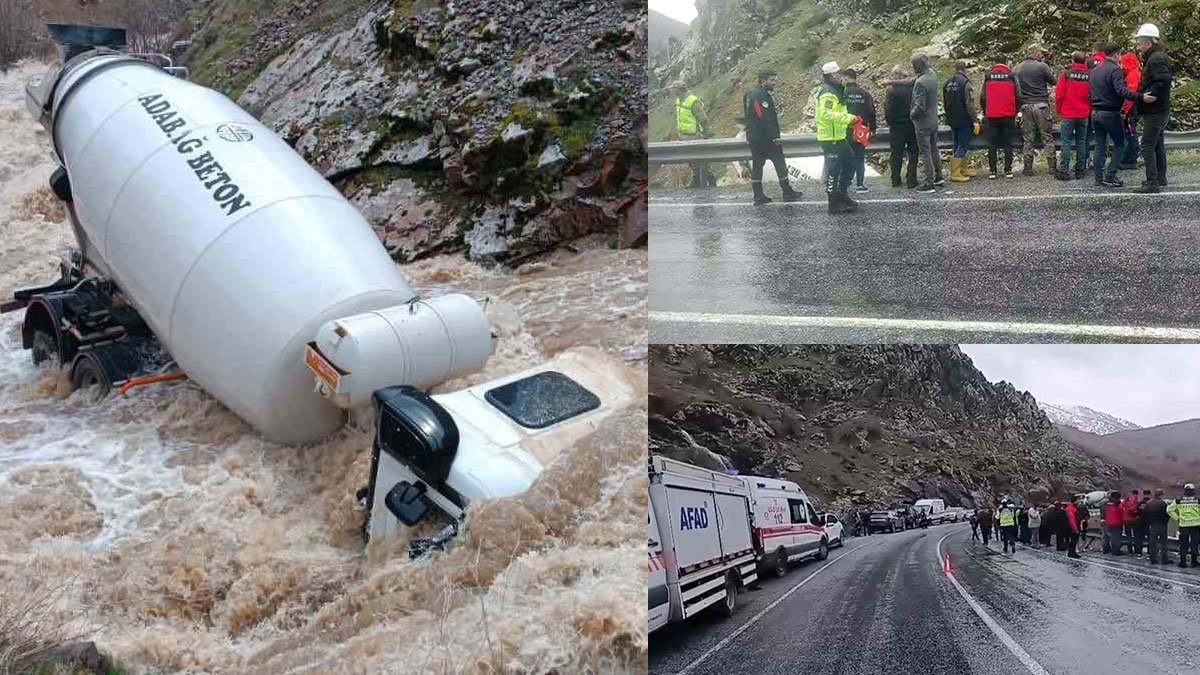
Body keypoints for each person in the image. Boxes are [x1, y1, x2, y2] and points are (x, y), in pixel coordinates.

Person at [1090, 43, 1153, 188]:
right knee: (1120, 144)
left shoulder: (1095, 70)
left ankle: (1098, 177)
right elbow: (1121, 91)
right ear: (1116, 55)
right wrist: (1140, 97)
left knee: (1100, 145)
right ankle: (1110, 175)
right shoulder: (1115, 69)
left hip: (1095, 111)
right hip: (1110, 112)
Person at [744, 70, 803, 205]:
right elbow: (765, 117)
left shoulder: (752, 94)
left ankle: (758, 195)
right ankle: (786, 191)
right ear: (763, 81)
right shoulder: (761, 96)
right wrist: (775, 136)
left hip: (755, 137)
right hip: (765, 138)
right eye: (772, 80)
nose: (775, 83)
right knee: (779, 162)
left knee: (758, 165)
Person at [815, 62, 862, 215]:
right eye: (838, 74)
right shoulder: (828, 93)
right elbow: (825, 114)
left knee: (850, 163)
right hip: (830, 138)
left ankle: (842, 194)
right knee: (833, 171)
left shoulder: (837, 90)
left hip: (839, 137)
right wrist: (848, 118)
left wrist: (848, 122)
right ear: (832, 75)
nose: (841, 76)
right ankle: (833, 203)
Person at [1131, 23, 1173, 194]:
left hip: (1155, 110)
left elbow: (1164, 80)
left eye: (1140, 43)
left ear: (1148, 43)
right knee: (1157, 144)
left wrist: (1150, 95)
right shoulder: (1158, 56)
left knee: (1147, 145)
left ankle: (1152, 182)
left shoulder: (1155, 59)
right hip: (1160, 109)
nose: (1138, 46)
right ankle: (1160, 178)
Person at [1014, 45, 1059, 176]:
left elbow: (1015, 88)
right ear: (1034, 52)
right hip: (1041, 105)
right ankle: (1052, 167)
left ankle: (1028, 168)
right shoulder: (1042, 66)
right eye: (1041, 52)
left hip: (1026, 106)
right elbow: (1054, 81)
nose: (1042, 55)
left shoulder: (1017, 68)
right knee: (1047, 137)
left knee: (1028, 138)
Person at [670, 81, 716, 188]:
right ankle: (697, 180)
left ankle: (710, 181)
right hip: (683, 135)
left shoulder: (693, 101)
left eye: (673, 88)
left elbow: (702, 118)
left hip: (694, 135)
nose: (672, 91)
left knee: (700, 159)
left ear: (679, 89)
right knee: (691, 159)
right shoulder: (678, 100)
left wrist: (707, 132)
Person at [909, 53, 944, 192]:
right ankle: (939, 175)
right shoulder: (932, 75)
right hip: (933, 119)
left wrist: (911, 115)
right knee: (934, 148)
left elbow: (920, 106)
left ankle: (929, 182)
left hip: (922, 123)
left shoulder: (920, 83)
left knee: (925, 151)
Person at [980, 55, 1018, 180]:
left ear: (995, 63)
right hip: (1008, 114)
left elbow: (983, 97)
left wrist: (985, 111)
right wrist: (1016, 110)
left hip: (992, 115)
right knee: (1008, 143)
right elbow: (1019, 95)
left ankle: (992, 171)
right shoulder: (1011, 76)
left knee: (992, 143)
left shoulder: (988, 76)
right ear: (1006, 62)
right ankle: (1008, 170)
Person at [1054, 52, 1091, 180]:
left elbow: (1059, 94)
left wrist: (1059, 110)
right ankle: (1080, 170)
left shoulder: (1067, 74)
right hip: (1083, 113)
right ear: (1085, 61)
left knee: (1066, 142)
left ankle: (1064, 170)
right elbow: (1092, 94)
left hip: (1068, 112)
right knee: (1081, 141)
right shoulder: (1089, 75)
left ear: (1073, 60)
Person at [942, 60, 979, 183]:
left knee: (957, 143)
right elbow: (969, 104)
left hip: (952, 118)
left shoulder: (947, 83)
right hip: (963, 118)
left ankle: (962, 169)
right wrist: (974, 119)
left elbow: (945, 102)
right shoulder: (965, 83)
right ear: (964, 69)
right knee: (963, 144)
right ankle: (956, 173)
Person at [883, 65, 919, 188]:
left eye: (893, 75)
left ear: (896, 75)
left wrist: (890, 122)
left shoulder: (891, 89)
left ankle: (895, 179)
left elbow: (888, 108)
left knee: (896, 153)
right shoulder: (913, 88)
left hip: (897, 126)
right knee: (913, 152)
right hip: (911, 124)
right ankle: (911, 180)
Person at [842, 69, 877, 193]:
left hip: (845, 129)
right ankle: (860, 184)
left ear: (846, 78)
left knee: (844, 157)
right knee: (859, 157)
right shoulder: (865, 94)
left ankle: (844, 184)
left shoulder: (842, 93)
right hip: (861, 130)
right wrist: (873, 129)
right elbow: (871, 112)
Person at [1118, 52, 1143, 170]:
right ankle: (1130, 158)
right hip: (1134, 108)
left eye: (1122, 63)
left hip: (1131, 109)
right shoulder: (1136, 73)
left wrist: (1124, 111)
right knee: (1131, 133)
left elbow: (1130, 96)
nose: (1121, 66)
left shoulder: (1132, 75)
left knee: (1131, 134)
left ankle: (1130, 159)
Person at [1167, 482, 1200, 568]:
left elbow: (1169, 510)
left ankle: (1183, 562)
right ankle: (1194, 562)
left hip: (1183, 525)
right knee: (1194, 544)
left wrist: (1177, 518)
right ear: (1193, 491)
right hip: (1196, 525)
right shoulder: (1198, 500)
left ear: (1184, 491)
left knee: (1183, 544)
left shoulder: (1179, 500)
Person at [1144, 488, 1171, 565]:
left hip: (1152, 525)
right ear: (1161, 495)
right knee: (1163, 543)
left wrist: (1148, 523)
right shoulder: (1163, 504)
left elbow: (1145, 515)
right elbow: (1167, 514)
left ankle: (1152, 558)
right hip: (1162, 525)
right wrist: (1165, 522)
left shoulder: (1149, 503)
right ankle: (1164, 559)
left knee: (1153, 543)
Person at [1102, 490, 1125, 555]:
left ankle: (1106, 549)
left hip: (1108, 522)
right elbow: (1121, 514)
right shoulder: (1119, 505)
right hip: (1116, 523)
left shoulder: (1106, 504)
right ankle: (1116, 551)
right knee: (1116, 538)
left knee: (1106, 537)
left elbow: (1104, 512)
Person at [1121, 489, 1142, 555]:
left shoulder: (1126, 499)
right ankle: (1137, 550)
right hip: (1135, 520)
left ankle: (1130, 549)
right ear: (1137, 493)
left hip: (1126, 520)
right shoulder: (1138, 499)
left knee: (1128, 535)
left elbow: (1121, 506)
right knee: (1137, 535)